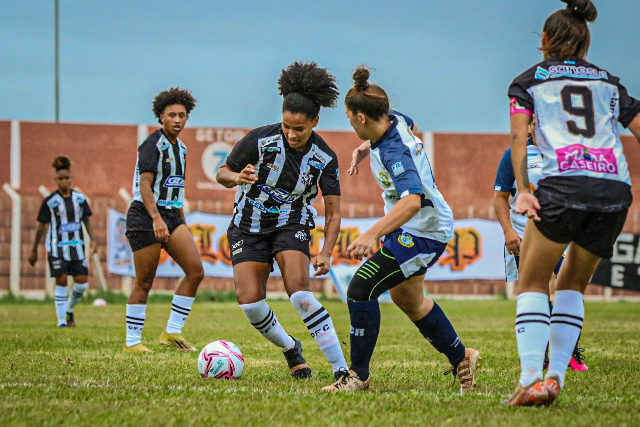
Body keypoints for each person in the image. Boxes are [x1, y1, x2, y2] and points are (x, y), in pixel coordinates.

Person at [503, 0, 640, 407]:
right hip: (613, 190)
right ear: (585, 44)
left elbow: (517, 139)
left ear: (543, 41)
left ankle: (531, 378)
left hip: (561, 187)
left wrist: (524, 189)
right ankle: (555, 377)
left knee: (531, 282)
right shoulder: (608, 82)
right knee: (572, 286)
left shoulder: (527, 82)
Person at [322, 67, 480, 393]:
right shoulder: (392, 120)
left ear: (362, 117)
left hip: (423, 231)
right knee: (409, 300)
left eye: (350, 119)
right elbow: (412, 124)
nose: (350, 125)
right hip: (414, 226)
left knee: (361, 288)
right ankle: (462, 356)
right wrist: (367, 148)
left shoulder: (395, 152)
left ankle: (358, 376)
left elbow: (412, 201)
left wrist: (370, 233)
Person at [215, 62, 348, 380]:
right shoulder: (259, 140)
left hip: (293, 224)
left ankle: (342, 371)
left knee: (300, 294)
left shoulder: (324, 158)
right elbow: (221, 173)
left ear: (315, 121)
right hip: (247, 226)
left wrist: (326, 252)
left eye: (299, 128)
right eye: (287, 125)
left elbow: (334, 211)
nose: (291, 133)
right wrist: (236, 178)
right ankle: (291, 349)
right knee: (250, 305)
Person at [493, 120, 588, 372]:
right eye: (535, 122)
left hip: (561, 233)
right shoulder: (514, 155)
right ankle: (542, 355)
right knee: (536, 291)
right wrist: (508, 231)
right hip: (525, 234)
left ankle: (569, 351)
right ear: (527, 128)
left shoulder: (567, 155)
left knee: (567, 286)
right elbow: (500, 198)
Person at [123, 88, 204, 353]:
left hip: (171, 214)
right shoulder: (151, 145)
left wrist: (179, 221)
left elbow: (176, 189)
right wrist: (156, 219)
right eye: (172, 115)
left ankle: (171, 331)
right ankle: (132, 342)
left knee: (195, 271)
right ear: (161, 117)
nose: (178, 120)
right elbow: (145, 186)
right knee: (144, 281)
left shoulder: (181, 148)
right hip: (145, 215)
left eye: (182, 115)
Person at [29, 156, 97, 327]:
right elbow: (41, 226)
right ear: (55, 180)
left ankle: (68, 309)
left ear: (71, 179)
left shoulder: (79, 199)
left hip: (77, 248)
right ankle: (61, 322)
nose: (64, 182)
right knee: (61, 281)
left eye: (67, 178)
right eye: (60, 179)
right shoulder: (50, 202)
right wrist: (34, 249)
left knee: (81, 284)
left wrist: (93, 240)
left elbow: (86, 220)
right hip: (57, 248)